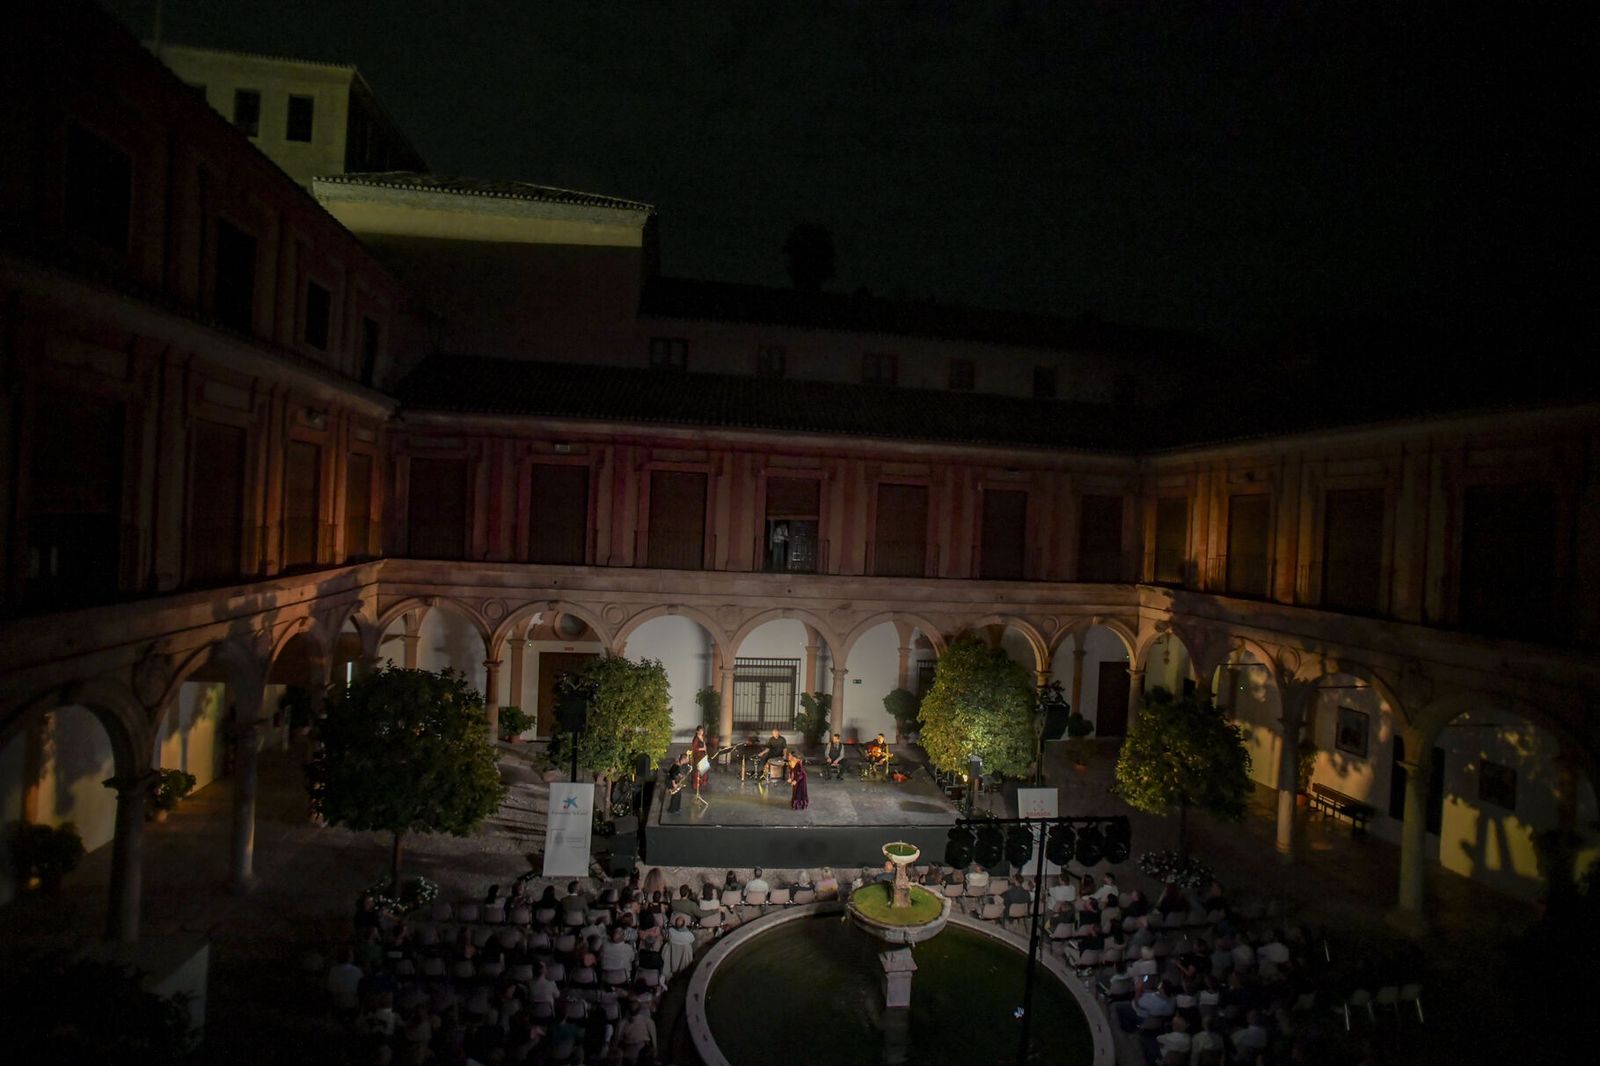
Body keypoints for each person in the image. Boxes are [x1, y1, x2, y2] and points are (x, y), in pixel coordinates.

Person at [689, 725, 710, 807]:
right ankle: (696, 785)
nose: (701, 732)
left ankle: (703, 784)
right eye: (700, 731)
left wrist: (706, 753)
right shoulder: (696, 739)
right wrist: (702, 749)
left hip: (703, 756)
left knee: (704, 770)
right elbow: (694, 749)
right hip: (698, 757)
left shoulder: (702, 737)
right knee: (697, 771)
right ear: (697, 731)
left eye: (702, 731)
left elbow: (705, 746)